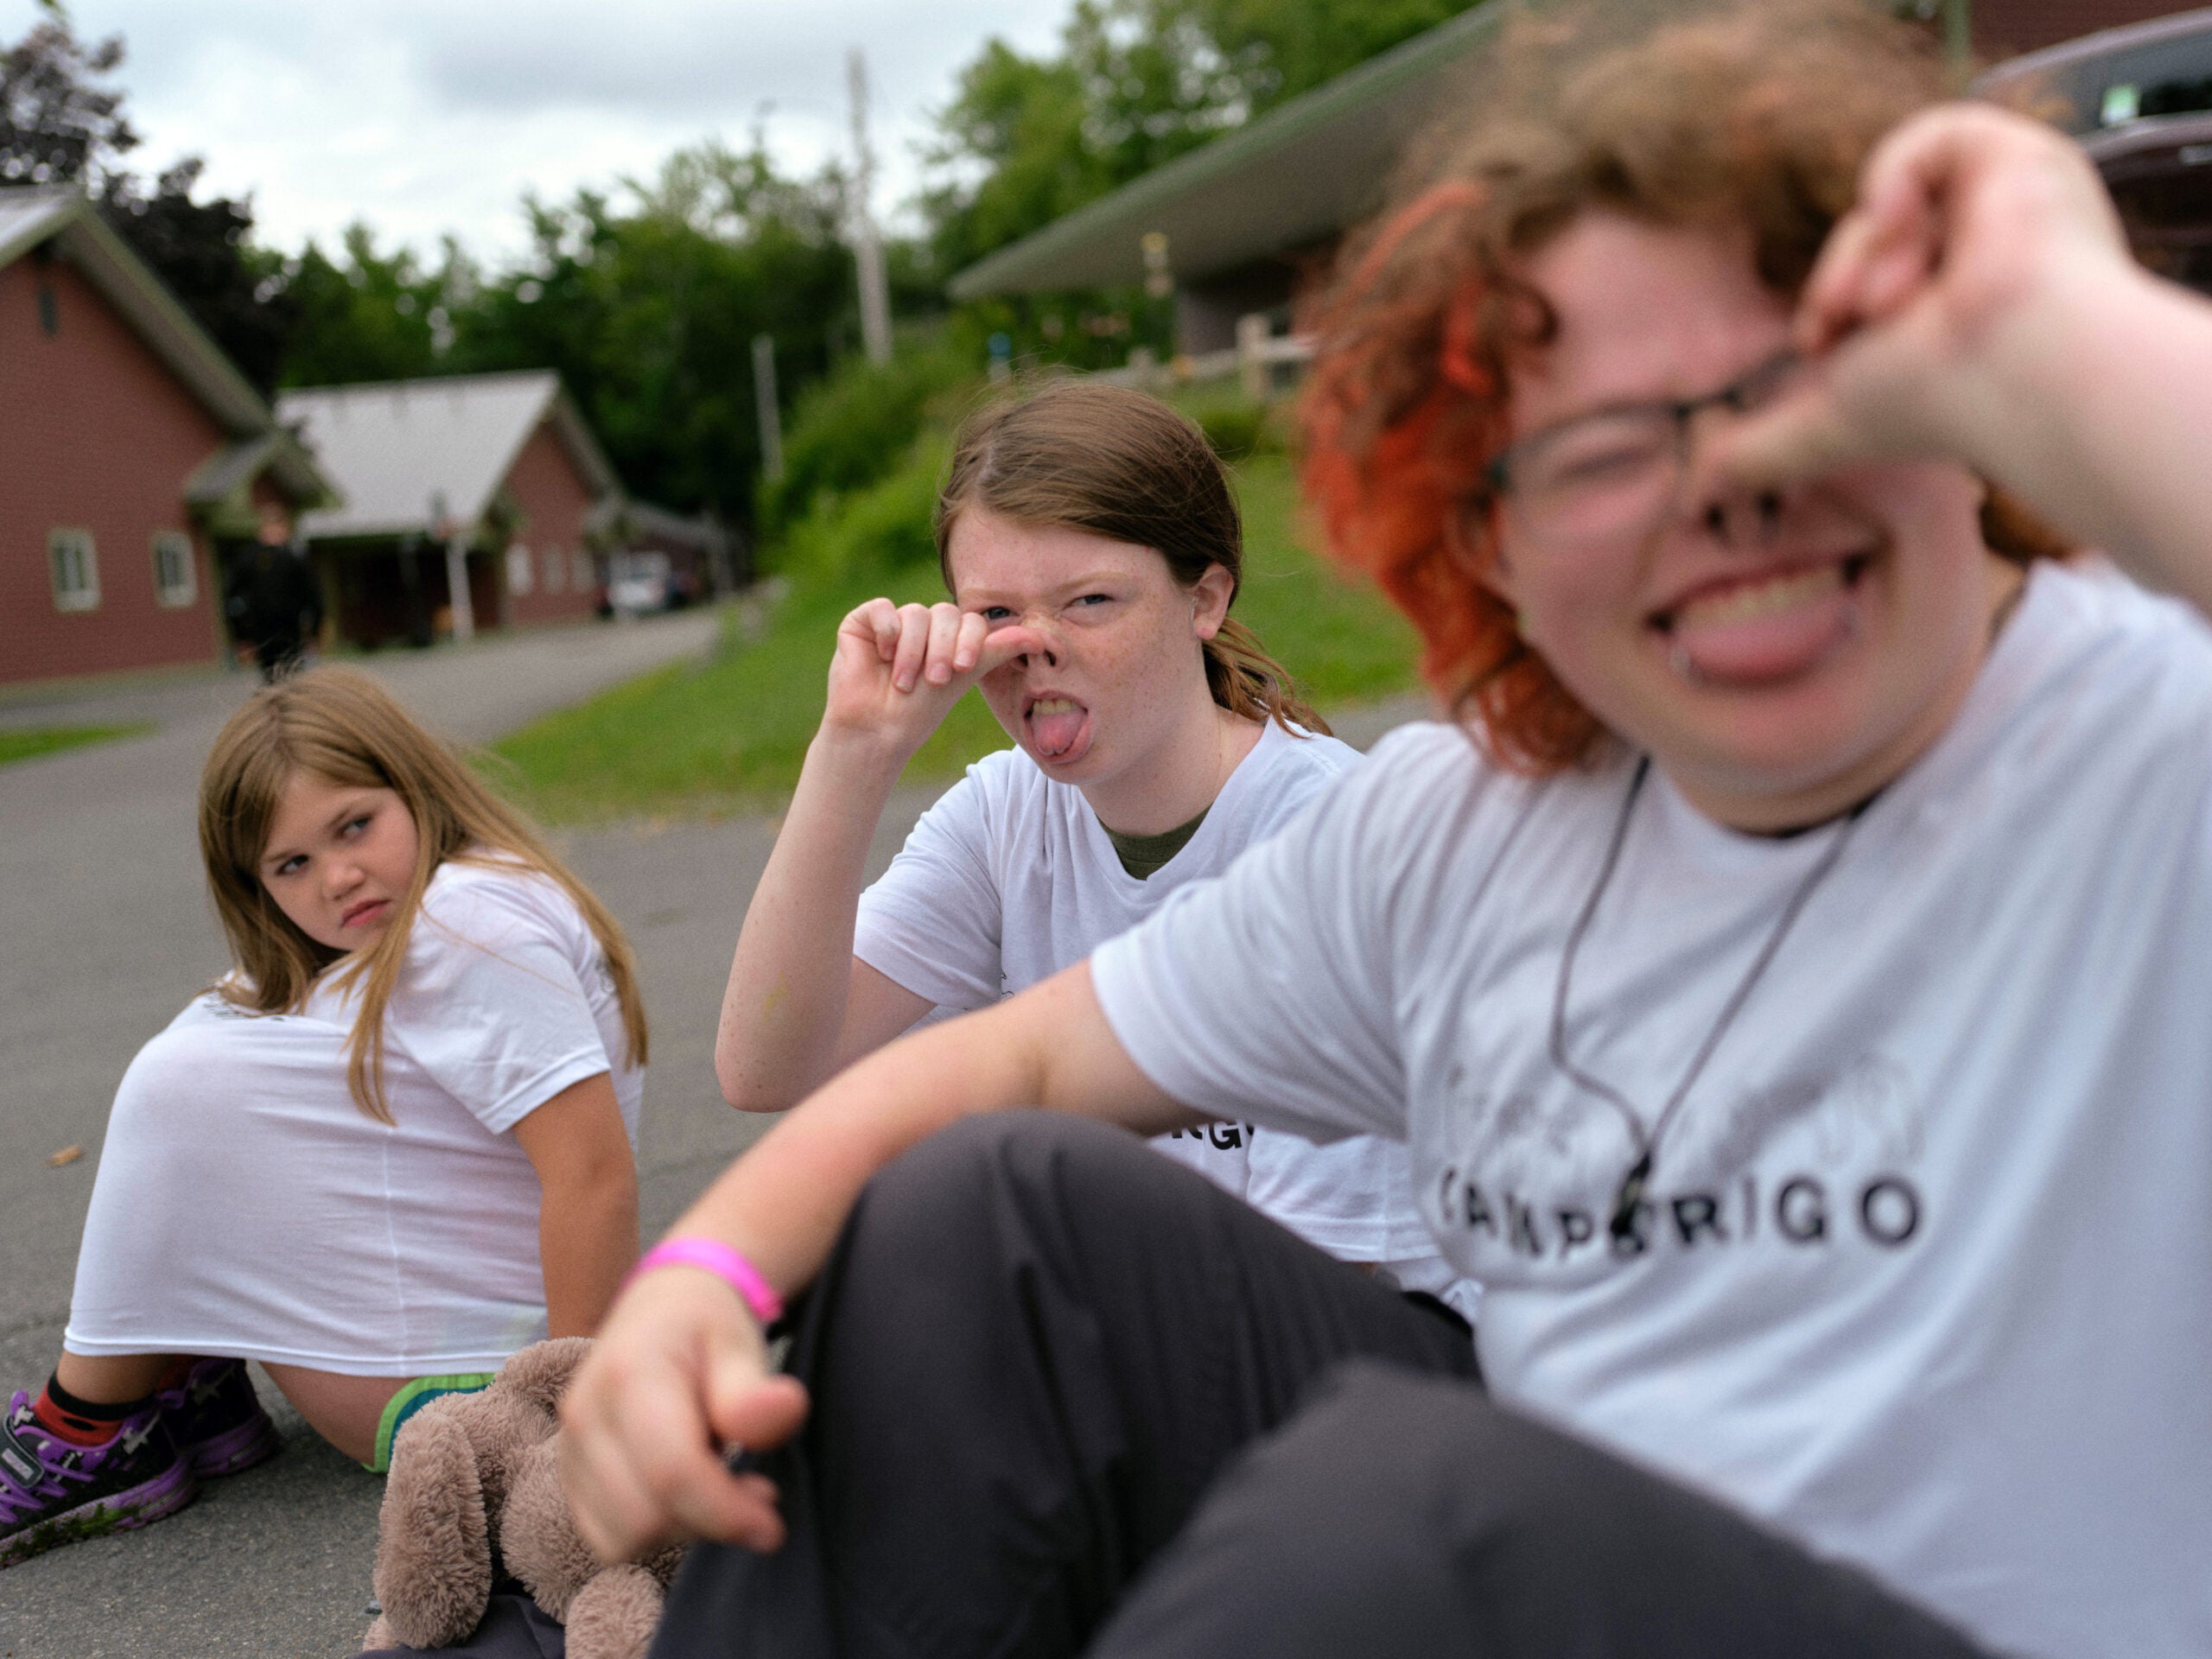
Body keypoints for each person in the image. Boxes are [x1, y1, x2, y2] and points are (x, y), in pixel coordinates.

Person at [563, 4, 2212, 1655]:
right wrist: (701, 1284)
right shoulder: (1458, 831)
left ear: (1977, 417)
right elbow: (1007, 1073)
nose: (1727, 490)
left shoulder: (2145, 744)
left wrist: (2065, 322)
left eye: (1808, 393)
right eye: (1594, 453)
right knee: (989, 1217)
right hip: (1550, 1569)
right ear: (1480, 537)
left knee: (1394, 1497)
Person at [715, 380, 1462, 1308]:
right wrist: (852, 754)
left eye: (1091, 600)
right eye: (993, 615)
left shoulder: (1334, 832)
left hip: (1377, 1360)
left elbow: (1318, 1287)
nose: (1036, 647)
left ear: (1206, 597)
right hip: (1142, 1334)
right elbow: (765, 1066)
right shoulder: (1002, 817)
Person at [1, 668, 646, 1568]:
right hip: (453, 1349)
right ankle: (180, 1381)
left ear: (413, 787)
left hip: (466, 1392)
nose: (339, 877)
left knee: (179, 1083)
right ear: (256, 885)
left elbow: (593, 1175)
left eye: (355, 826)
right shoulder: (455, 902)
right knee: (229, 1023)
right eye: (291, 864)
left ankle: (88, 1426)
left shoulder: (467, 927)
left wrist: (573, 1418)